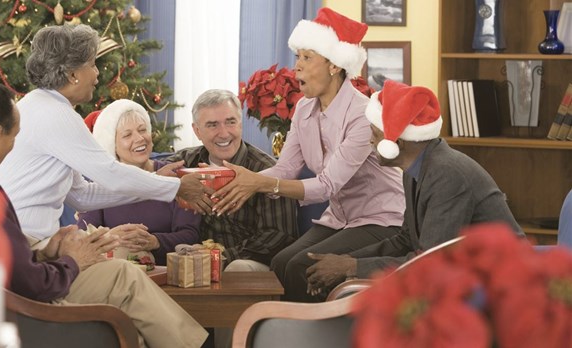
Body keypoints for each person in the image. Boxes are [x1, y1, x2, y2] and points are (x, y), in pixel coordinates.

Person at [0, 79, 208, 347]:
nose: (13, 149)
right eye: (14, 138)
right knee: (124, 278)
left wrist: (46, 252)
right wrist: (74, 260)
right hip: (19, 313)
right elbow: (32, 285)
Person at [212, 8, 405, 302]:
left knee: (302, 267)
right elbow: (285, 167)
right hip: (340, 217)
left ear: (334, 65)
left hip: (381, 221)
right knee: (280, 263)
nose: (296, 67)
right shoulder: (303, 108)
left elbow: (328, 185)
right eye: (297, 57)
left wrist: (258, 183)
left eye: (306, 57)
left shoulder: (362, 114)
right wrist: (235, 180)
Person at [0, 24, 213, 248]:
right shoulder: (55, 113)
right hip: (18, 244)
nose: (97, 74)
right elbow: (110, 173)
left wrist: (161, 182)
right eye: (92, 64)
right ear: (73, 74)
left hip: (20, 240)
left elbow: (82, 196)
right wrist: (174, 187)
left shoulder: (44, 105)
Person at [305, 80, 525, 295]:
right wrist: (349, 262)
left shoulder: (447, 174)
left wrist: (350, 268)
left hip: (500, 286)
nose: (370, 141)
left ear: (396, 143)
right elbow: (405, 240)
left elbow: (431, 264)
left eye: (374, 133)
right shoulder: (418, 166)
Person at [167, 89, 298, 272]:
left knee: (237, 268)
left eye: (230, 122)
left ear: (240, 124)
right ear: (197, 131)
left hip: (248, 260)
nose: (224, 133)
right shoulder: (186, 162)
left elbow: (279, 235)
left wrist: (222, 257)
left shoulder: (267, 169)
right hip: (195, 258)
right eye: (212, 125)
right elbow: (147, 175)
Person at [77, 99, 201, 266]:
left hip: (171, 270)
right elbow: (84, 238)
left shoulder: (175, 176)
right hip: (114, 269)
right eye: (127, 135)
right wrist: (112, 237)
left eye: (142, 130)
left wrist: (154, 241)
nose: (139, 138)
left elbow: (191, 235)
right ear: (112, 144)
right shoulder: (98, 183)